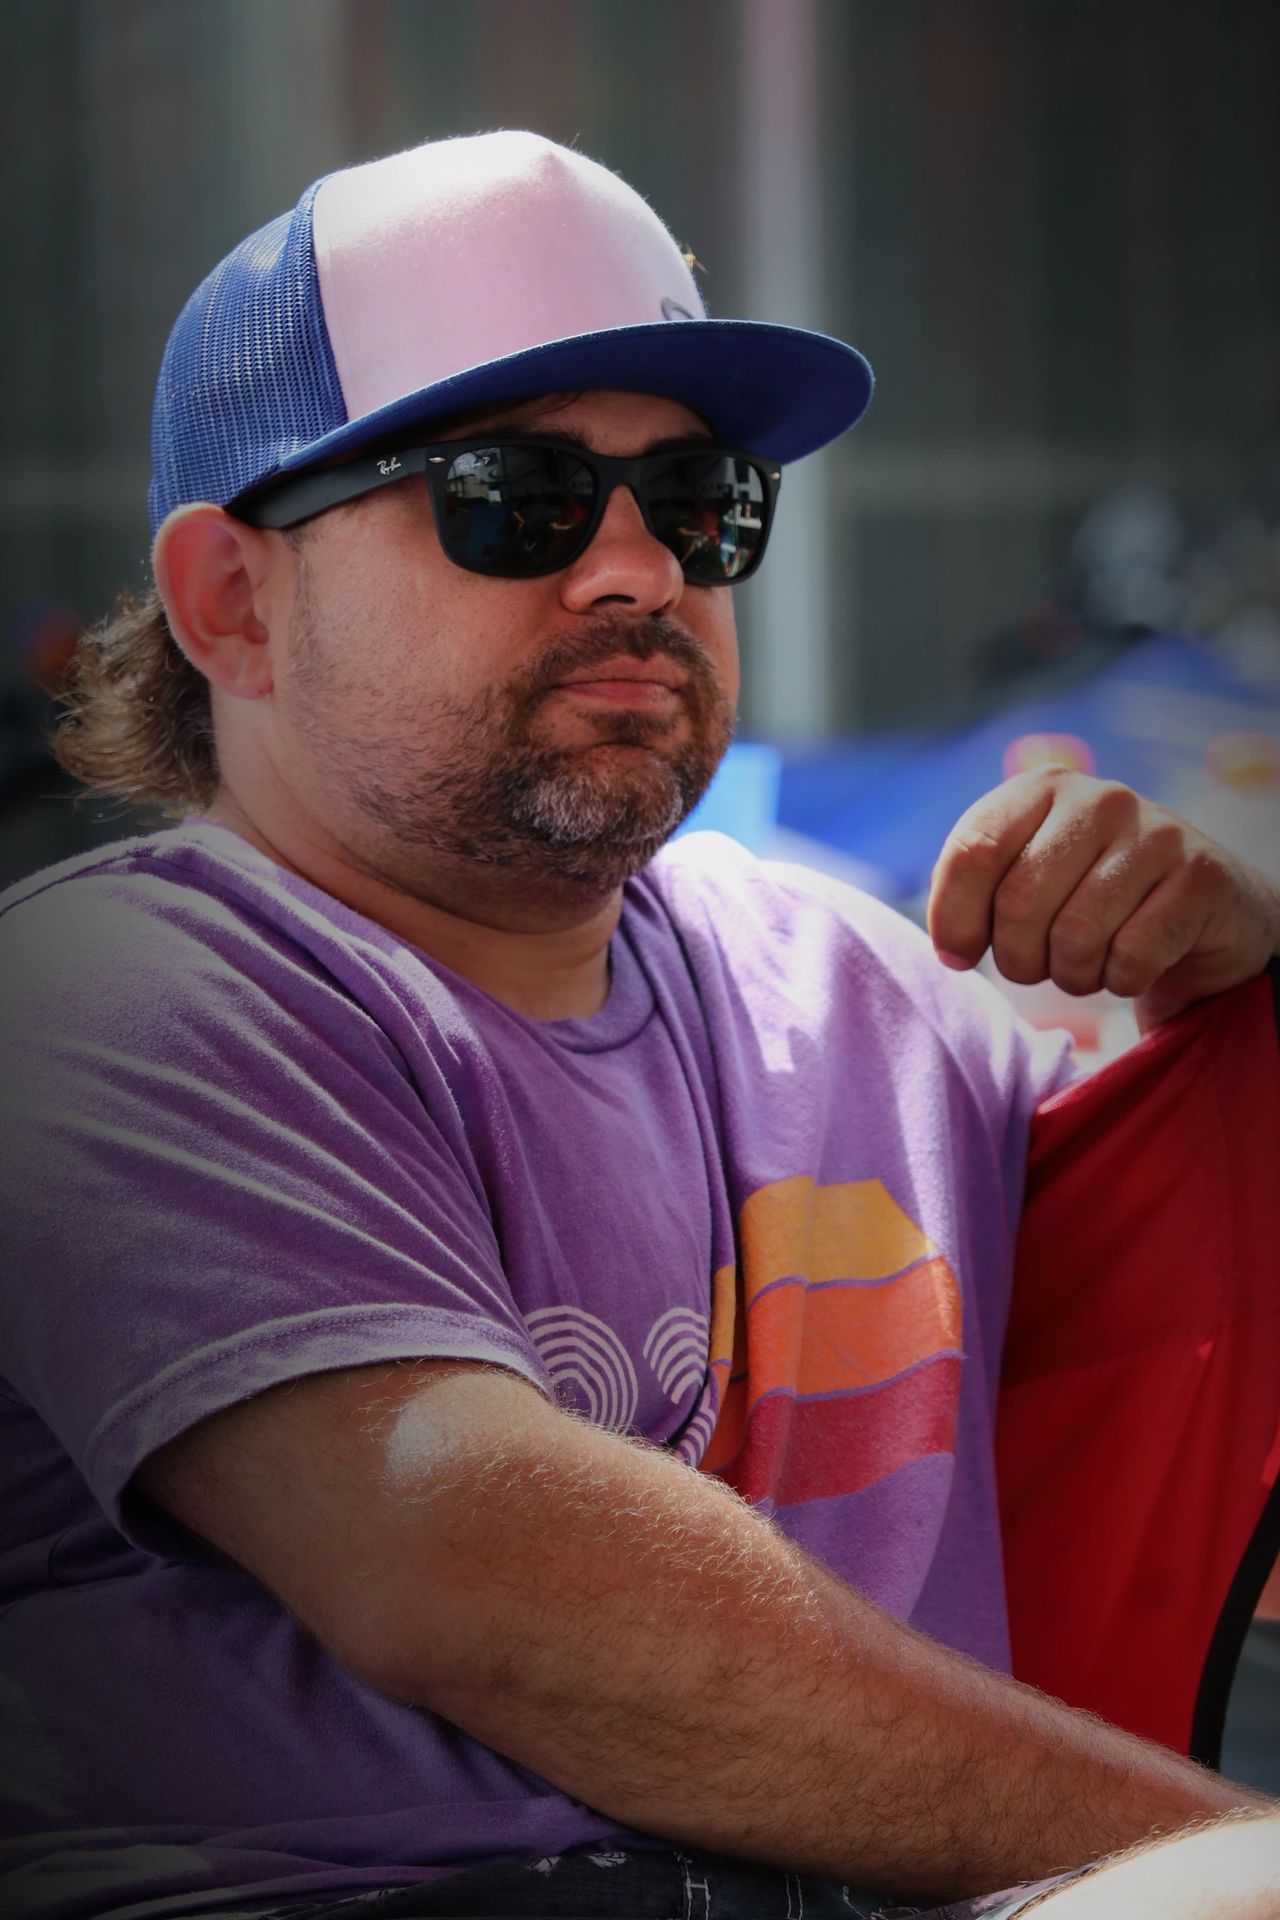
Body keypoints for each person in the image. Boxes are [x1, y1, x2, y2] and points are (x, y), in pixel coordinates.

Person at [1, 131, 1277, 1920]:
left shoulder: (863, 992)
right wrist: (1202, 1854)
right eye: (512, 496)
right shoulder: (103, 1005)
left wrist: (1237, 993)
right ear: (235, 602)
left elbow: (1210, 1369)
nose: (638, 571)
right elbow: (491, 1588)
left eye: (698, 499)